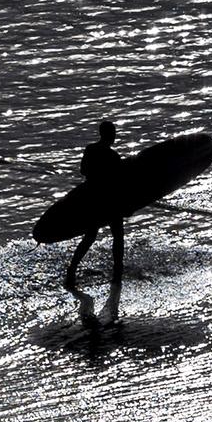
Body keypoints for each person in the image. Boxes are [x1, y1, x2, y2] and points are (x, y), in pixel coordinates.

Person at [63, 118, 127, 301]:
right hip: (109, 201)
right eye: (113, 134)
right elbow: (118, 183)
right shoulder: (114, 157)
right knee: (117, 235)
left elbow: (83, 171)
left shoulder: (90, 150)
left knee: (91, 236)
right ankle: (117, 273)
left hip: (92, 198)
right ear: (108, 135)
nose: (115, 137)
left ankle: (72, 269)